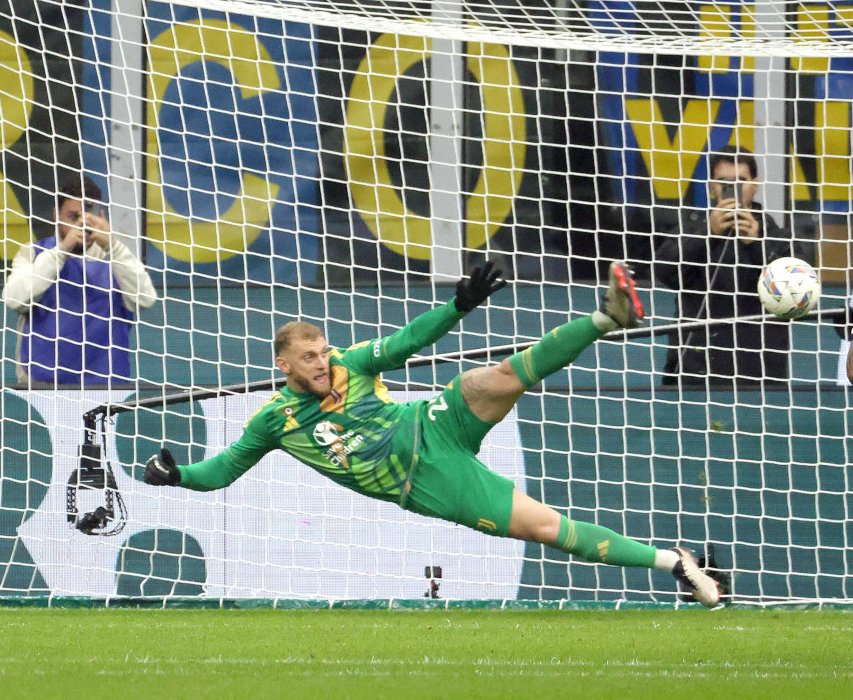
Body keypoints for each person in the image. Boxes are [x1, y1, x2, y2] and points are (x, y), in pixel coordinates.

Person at [143, 261, 724, 607]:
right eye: (310, 360)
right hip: (431, 479)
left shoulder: (352, 362)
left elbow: (405, 342)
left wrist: (458, 306)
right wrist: (178, 477)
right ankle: (674, 563)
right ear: (286, 368)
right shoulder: (276, 420)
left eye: (323, 352)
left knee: (495, 376)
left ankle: (606, 318)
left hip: (432, 423)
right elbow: (224, 469)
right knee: (546, 527)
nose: (322, 364)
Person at [654, 148, 800, 386]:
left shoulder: (780, 238)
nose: (732, 189)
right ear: (712, 187)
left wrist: (755, 245)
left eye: (740, 182)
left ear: (755, 185)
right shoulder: (690, 230)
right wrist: (707, 234)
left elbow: (794, 295)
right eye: (724, 183)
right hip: (695, 372)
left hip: (759, 376)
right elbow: (664, 271)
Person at [3, 177, 157, 386]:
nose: (81, 225)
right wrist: (62, 251)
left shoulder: (117, 258)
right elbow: (13, 299)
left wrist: (113, 246)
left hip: (105, 387)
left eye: (89, 218)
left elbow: (145, 300)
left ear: (101, 216)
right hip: (42, 383)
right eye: (73, 217)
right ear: (56, 215)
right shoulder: (34, 252)